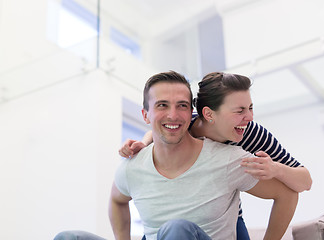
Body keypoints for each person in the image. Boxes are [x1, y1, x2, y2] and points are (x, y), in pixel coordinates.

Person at [119, 72, 312, 239]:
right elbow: (160, 132)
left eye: (250, 108)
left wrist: (276, 169)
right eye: (240, 110)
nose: (249, 117)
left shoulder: (251, 134)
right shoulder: (185, 126)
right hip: (172, 211)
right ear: (209, 114)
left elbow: (305, 182)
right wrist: (143, 144)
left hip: (223, 214)